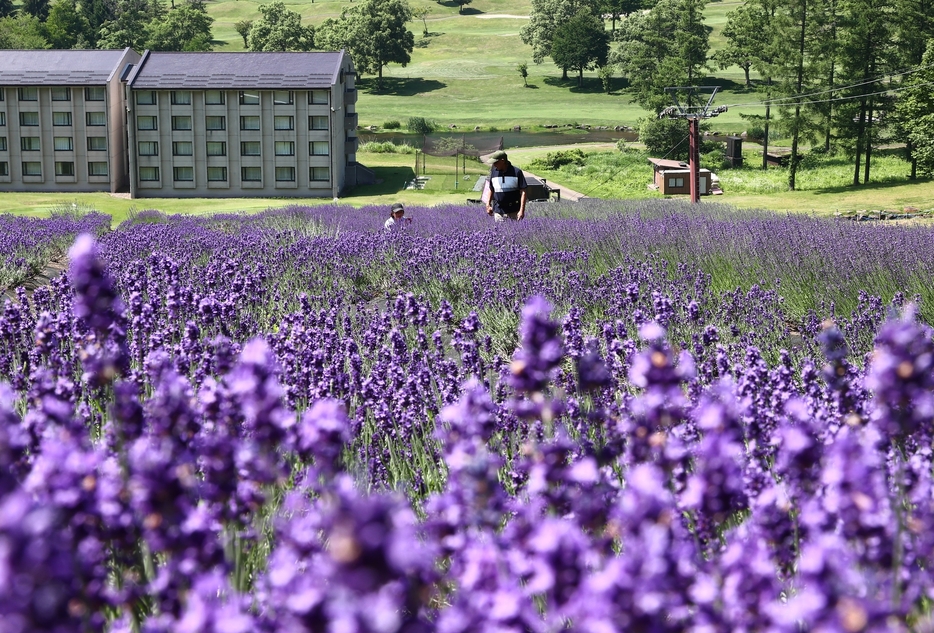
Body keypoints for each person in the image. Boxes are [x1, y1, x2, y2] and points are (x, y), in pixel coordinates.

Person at [485, 150, 527, 221]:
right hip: (498, 211)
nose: (494, 165)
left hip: (514, 211)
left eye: (496, 162)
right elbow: (491, 189)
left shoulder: (517, 172)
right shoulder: (493, 173)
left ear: (502, 161)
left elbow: (523, 191)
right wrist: (488, 204)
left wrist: (521, 210)